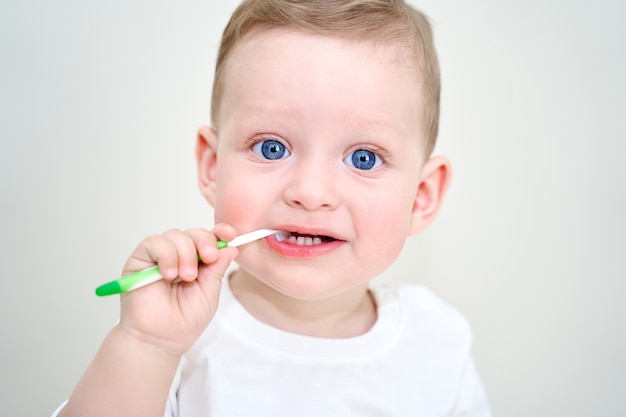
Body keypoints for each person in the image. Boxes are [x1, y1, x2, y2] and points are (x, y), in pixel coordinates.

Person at [54, 0, 491, 415]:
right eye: (271, 147)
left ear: (421, 196)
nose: (311, 191)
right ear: (212, 166)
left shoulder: (438, 343)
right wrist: (145, 345)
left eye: (364, 158)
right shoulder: (178, 340)